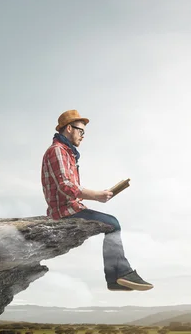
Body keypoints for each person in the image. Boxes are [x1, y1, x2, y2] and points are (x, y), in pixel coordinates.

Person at [41, 109, 153, 292]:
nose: (83, 136)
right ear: (69, 128)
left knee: (111, 223)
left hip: (70, 208)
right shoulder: (58, 151)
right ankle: (118, 276)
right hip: (64, 212)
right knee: (112, 224)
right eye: (81, 131)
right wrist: (96, 195)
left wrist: (96, 196)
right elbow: (65, 185)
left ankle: (115, 278)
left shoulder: (67, 152)